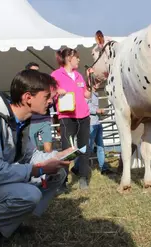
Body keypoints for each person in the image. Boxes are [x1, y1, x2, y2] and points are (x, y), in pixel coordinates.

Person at [0, 70, 76, 246]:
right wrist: (39, 169)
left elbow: (30, 155)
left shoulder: (19, 121)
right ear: (28, 97)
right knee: (30, 194)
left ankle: (14, 221)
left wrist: (58, 156)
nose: (51, 101)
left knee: (58, 174)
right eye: (47, 96)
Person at [51, 48, 92, 191]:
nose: (79, 60)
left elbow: (87, 94)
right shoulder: (56, 75)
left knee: (84, 148)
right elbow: (48, 92)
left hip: (84, 116)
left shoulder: (79, 76)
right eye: (77, 57)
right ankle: (62, 182)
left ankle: (83, 178)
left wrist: (91, 85)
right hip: (67, 117)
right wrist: (56, 91)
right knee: (67, 150)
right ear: (69, 58)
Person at [25, 62, 54, 153]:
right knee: (33, 150)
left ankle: (49, 166)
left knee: (48, 148)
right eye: (33, 71)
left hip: (45, 119)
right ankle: (37, 166)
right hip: (31, 121)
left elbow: (51, 102)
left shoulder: (45, 85)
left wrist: (49, 101)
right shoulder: (24, 86)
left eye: (37, 71)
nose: (36, 74)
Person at [87, 78, 113, 175]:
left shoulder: (95, 94)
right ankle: (78, 167)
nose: (98, 85)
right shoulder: (87, 94)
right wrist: (98, 110)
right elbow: (86, 107)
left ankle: (103, 168)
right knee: (89, 147)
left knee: (100, 147)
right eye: (96, 83)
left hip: (96, 123)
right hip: (91, 124)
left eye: (98, 83)